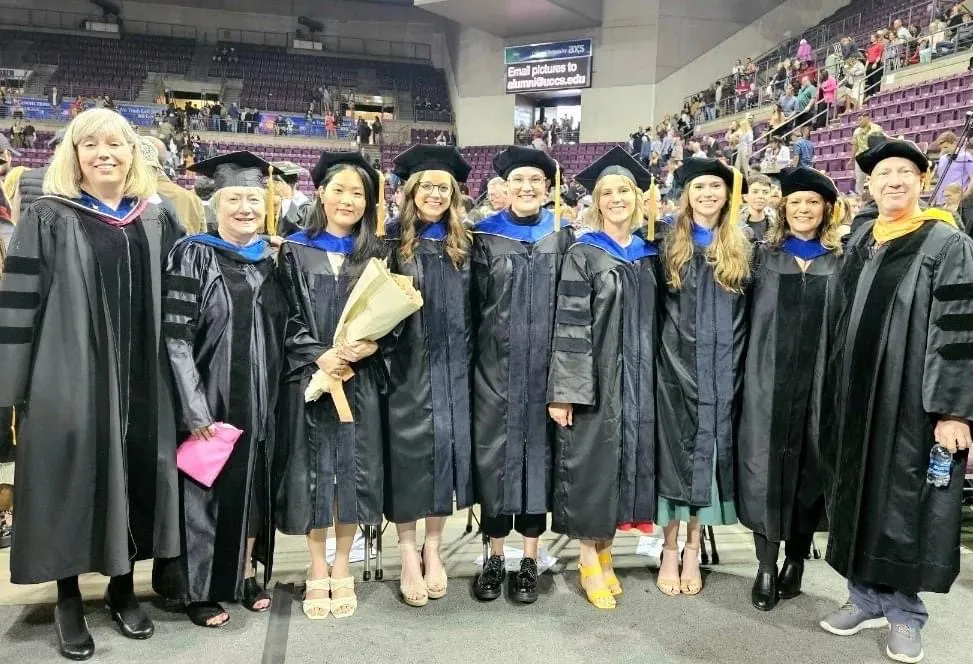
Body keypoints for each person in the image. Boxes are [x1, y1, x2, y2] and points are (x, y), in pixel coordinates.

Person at [0, 108, 183, 660]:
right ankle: (67, 597)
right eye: (91, 145)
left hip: (146, 379)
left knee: (134, 476)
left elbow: (181, 299)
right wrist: (12, 386)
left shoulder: (158, 216)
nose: (105, 153)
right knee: (70, 479)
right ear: (73, 157)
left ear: (134, 155)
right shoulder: (49, 216)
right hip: (69, 376)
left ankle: (125, 588)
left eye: (117, 144)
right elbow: (19, 303)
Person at [820, 138, 973, 663]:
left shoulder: (945, 244)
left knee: (903, 501)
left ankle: (906, 613)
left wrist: (953, 410)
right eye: (884, 172)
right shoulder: (863, 237)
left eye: (906, 172)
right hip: (854, 394)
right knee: (858, 491)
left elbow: (958, 330)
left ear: (923, 180)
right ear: (870, 184)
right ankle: (864, 597)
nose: (894, 180)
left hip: (910, 400)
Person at [153, 152, 288, 628]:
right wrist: (194, 408)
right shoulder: (194, 254)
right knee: (203, 492)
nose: (245, 208)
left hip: (264, 398)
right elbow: (175, 335)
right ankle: (199, 587)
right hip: (210, 396)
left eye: (253, 198)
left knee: (253, 489)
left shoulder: (272, 260)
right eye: (234, 198)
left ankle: (246, 574)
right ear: (215, 202)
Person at [275, 150, 387, 620]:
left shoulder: (378, 254)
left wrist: (370, 347)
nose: (347, 199)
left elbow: (393, 317)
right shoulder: (295, 250)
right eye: (338, 189)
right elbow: (282, 314)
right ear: (319, 193)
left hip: (360, 382)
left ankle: (344, 565)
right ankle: (316, 567)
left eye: (357, 193)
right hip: (312, 382)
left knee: (352, 477)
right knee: (314, 476)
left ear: (368, 202)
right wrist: (319, 354)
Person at [547, 147, 659, 610]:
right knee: (591, 467)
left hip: (639, 380)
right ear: (595, 201)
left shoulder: (648, 253)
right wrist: (566, 391)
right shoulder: (584, 254)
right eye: (607, 192)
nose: (615, 198)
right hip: (596, 381)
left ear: (637, 199)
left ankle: (607, 551)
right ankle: (588, 556)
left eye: (623, 191)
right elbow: (570, 324)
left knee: (621, 467)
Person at [736, 166, 845, 612]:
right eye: (796, 202)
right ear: (784, 208)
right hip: (766, 382)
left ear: (826, 210)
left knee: (809, 469)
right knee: (764, 469)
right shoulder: (762, 256)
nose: (803, 209)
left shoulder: (843, 258)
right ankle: (765, 564)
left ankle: (796, 560)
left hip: (821, 384)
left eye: (813, 202)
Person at [471, 146, 574, 604]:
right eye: (519, 181)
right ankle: (495, 556)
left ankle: (529, 558)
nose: (528, 187)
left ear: (548, 188)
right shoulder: (484, 237)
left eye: (536, 180)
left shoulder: (564, 236)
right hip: (494, 372)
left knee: (539, 463)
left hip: (546, 374)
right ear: (504, 188)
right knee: (496, 463)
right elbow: (473, 307)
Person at [382, 145, 474, 607]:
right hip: (406, 367)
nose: (435, 194)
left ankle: (433, 548)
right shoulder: (388, 240)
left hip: (455, 366)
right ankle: (406, 551)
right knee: (409, 457)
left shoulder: (465, 243)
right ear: (411, 190)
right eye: (427, 186)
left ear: (454, 193)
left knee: (443, 453)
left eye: (444, 187)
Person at [655, 158, 751, 597]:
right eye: (700, 186)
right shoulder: (665, 242)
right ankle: (669, 547)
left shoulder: (744, 245)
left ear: (728, 193)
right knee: (675, 454)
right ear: (687, 194)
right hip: (674, 368)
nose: (708, 193)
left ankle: (693, 547)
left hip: (724, 371)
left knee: (709, 457)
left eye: (716, 185)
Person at [272, 160, 311, 237]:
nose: (275, 187)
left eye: (278, 183)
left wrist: (287, 199)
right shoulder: (279, 200)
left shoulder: (306, 206)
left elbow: (299, 233)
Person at [741, 173, 774, 241]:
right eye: (755, 192)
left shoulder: (776, 223)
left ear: (770, 196)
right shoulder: (735, 223)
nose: (760, 196)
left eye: (765, 192)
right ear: (745, 196)